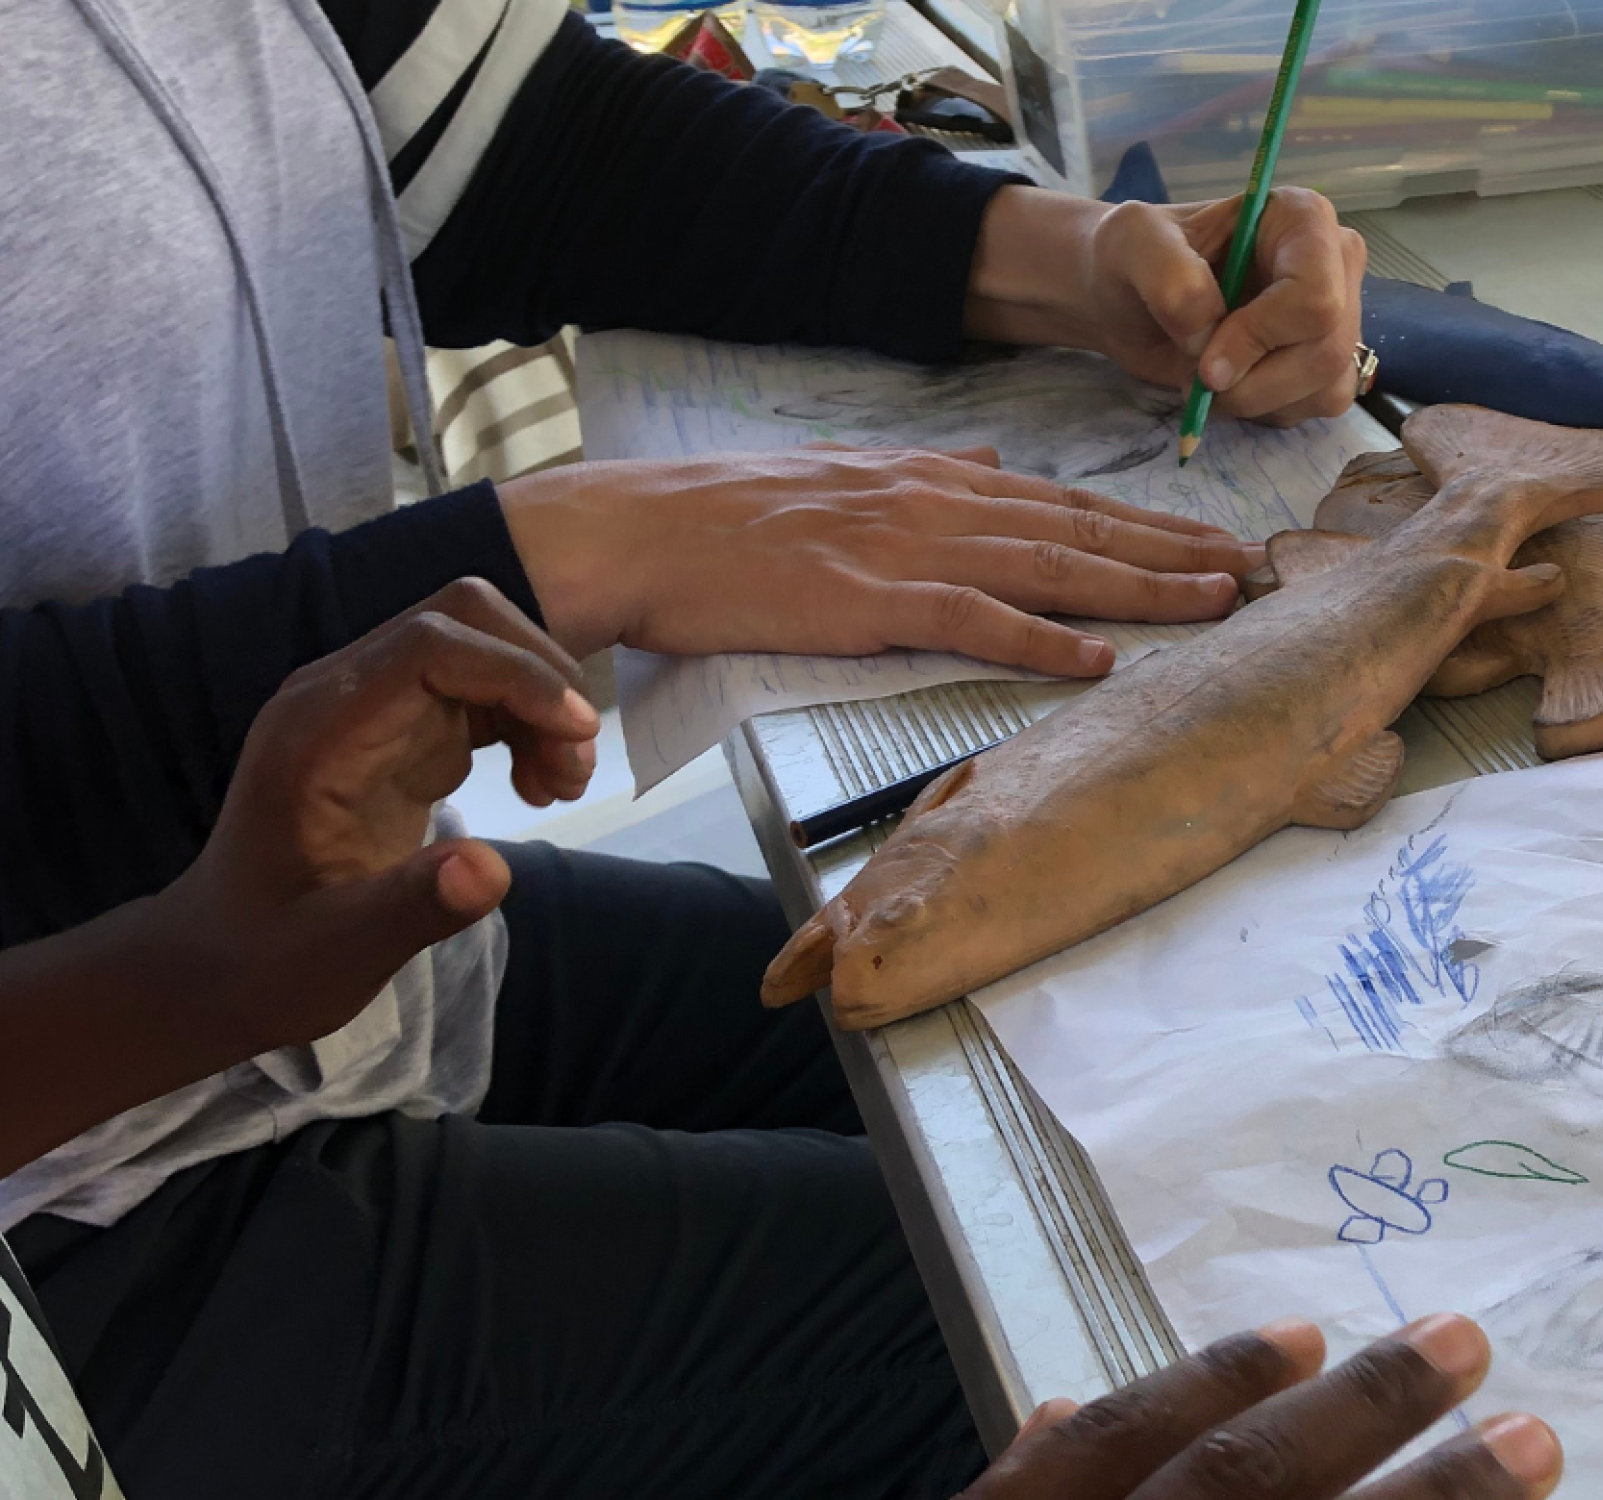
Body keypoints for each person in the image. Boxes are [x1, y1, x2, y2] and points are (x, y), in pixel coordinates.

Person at [2, 0, 1367, 1492]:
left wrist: (1067, 263)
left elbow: (510, 141)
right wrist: (555, 555)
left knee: (1104, 1058)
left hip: (285, 956)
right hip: (82, 1212)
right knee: (1164, 1340)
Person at [0, 516, 1562, 1497]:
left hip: (106, 1029)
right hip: (111, 1312)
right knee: (1106, 1322)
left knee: (1057, 1068)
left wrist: (190, 969)